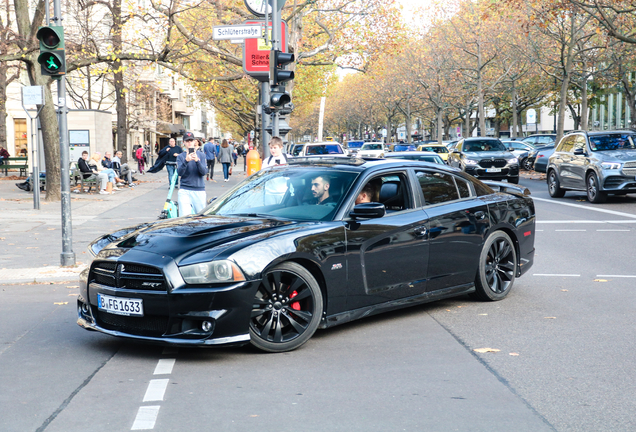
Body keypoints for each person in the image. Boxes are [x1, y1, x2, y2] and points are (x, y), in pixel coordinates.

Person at [177, 132, 207, 215]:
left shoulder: (201, 155)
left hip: (199, 189)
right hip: (185, 190)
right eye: (187, 141)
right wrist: (186, 161)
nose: (189, 142)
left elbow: (203, 172)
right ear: (183, 142)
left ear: (195, 141)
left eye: (191, 140)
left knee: (201, 217)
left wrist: (197, 161)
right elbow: (179, 173)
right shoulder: (180, 157)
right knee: (184, 217)